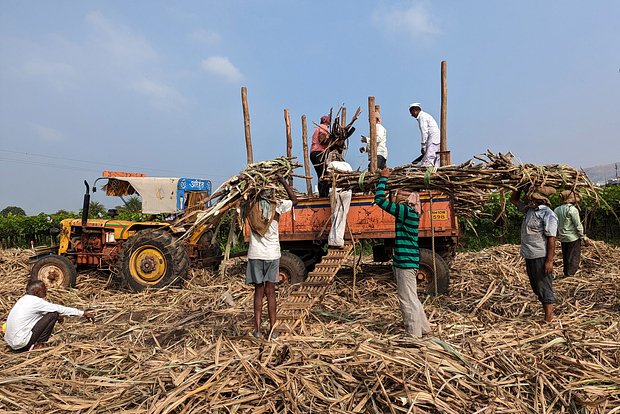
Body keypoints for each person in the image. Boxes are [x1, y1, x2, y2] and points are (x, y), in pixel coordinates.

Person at [374, 168, 431, 337]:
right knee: (412, 297)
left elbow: (379, 200)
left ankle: (414, 335)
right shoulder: (413, 213)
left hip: (406, 263)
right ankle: (424, 329)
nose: (398, 196)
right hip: (407, 261)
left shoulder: (405, 212)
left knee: (406, 300)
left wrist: (383, 179)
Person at [245, 173, 298, 340]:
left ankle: (258, 329)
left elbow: (242, 197)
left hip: (255, 255)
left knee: (258, 291)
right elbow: (295, 201)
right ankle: (273, 329)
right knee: (271, 292)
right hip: (272, 255)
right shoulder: (278, 205)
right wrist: (283, 180)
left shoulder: (251, 206)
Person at [510, 186, 558, 323]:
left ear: (540, 200)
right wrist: (519, 186)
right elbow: (513, 199)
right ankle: (547, 315)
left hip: (540, 256)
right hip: (529, 255)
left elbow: (551, 238)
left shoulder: (548, 214)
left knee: (544, 286)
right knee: (536, 287)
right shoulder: (530, 210)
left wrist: (549, 261)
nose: (529, 198)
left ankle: (549, 318)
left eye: (532, 197)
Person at [4, 280, 94, 352]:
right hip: (21, 343)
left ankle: (33, 344)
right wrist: (82, 313)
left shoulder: (23, 300)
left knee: (53, 314)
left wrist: (59, 316)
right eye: (44, 289)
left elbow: (38, 315)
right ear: (37, 292)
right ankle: (39, 345)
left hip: (13, 343)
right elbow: (58, 309)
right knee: (53, 314)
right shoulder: (36, 301)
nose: (46, 290)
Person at [554, 190, 587, 276]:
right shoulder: (572, 210)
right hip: (573, 237)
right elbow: (578, 225)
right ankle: (571, 274)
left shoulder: (556, 210)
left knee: (566, 256)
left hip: (562, 237)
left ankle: (566, 273)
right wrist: (582, 236)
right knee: (573, 257)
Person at [327, 155, 353, 249]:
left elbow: (329, 175)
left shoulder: (331, 164)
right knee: (342, 215)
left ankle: (334, 240)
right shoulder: (347, 165)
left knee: (335, 214)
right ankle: (337, 240)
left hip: (335, 190)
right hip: (346, 191)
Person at [409, 103, 440, 167]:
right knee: (434, 159)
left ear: (415, 110)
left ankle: (429, 175)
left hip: (433, 139)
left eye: (411, 112)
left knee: (429, 160)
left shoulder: (422, 117)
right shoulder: (424, 115)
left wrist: (423, 146)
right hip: (436, 139)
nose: (411, 115)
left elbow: (424, 132)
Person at [310, 115, 331, 197]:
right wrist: (331, 141)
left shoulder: (317, 128)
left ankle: (322, 194)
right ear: (326, 121)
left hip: (313, 153)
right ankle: (324, 195)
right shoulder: (323, 127)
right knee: (324, 174)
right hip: (319, 153)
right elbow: (322, 139)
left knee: (320, 174)